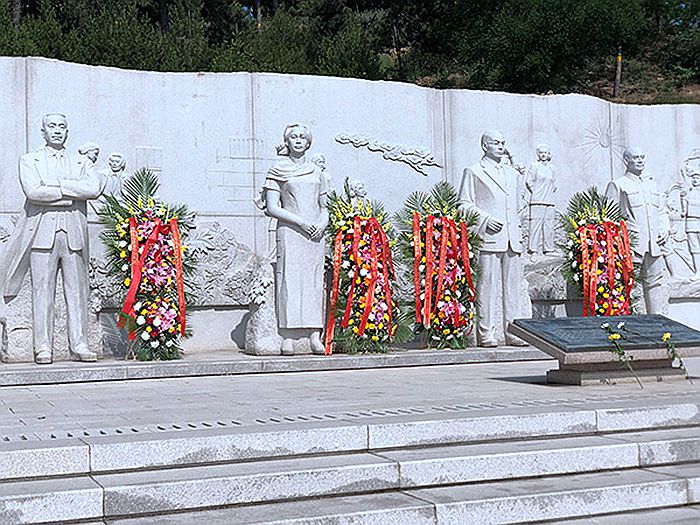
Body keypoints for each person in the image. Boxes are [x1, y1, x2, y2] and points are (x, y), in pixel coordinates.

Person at [1, 114, 102, 364]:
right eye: (52, 126)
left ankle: (79, 343)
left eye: (62, 127)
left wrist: (55, 186)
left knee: (77, 292)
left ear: (67, 131)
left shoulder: (81, 161)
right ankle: (42, 347)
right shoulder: (29, 160)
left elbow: (93, 189)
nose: (57, 131)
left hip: (73, 235)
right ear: (43, 132)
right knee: (42, 291)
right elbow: (34, 192)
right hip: (41, 236)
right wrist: (71, 193)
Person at [259, 123, 328, 355]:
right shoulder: (277, 170)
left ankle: (315, 335)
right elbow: (272, 207)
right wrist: (301, 222)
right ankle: (287, 335)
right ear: (286, 142)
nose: (298, 140)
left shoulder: (317, 172)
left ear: (308, 143)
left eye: (302, 137)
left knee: (314, 282)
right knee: (289, 281)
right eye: (293, 137)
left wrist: (321, 224)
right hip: (291, 231)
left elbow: (325, 207)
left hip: (315, 235)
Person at [458, 130, 528, 347]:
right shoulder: (474, 171)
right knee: (486, 287)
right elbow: (463, 204)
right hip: (489, 236)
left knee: (513, 288)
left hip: (512, 238)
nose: (501, 146)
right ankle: (486, 332)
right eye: (496, 143)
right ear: (484, 146)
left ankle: (514, 331)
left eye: (503, 142)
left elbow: (519, 203)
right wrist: (485, 219)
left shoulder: (512, 173)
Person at [605, 147, 669, 314]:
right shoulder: (618, 184)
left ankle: (656, 321)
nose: (640, 160)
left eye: (642, 157)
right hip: (631, 245)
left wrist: (664, 228)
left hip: (654, 244)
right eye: (635, 157)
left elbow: (661, 210)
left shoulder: (652, 185)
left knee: (655, 282)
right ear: (626, 161)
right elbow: (609, 217)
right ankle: (630, 322)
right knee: (627, 284)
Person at [525, 144, 556, 254]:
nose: (543, 155)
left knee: (549, 226)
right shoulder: (535, 166)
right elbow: (529, 181)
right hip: (537, 200)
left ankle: (549, 249)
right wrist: (536, 191)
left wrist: (549, 192)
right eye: (541, 152)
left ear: (549, 154)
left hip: (549, 201)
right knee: (535, 225)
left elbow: (554, 184)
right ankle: (533, 249)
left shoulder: (552, 168)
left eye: (545, 152)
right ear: (538, 154)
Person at [681, 159, 700, 279]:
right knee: (694, 249)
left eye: (697, 178)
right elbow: (684, 210)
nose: (695, 180)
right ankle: (698, 272)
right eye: (693, 178)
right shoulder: (689, 192)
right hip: (691, 222)